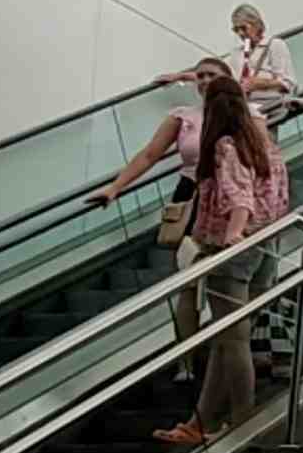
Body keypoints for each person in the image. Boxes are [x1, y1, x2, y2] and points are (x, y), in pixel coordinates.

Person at [90, 57, 236, 383]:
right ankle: (187, 360)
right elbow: (150, 154)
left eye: (212, 75)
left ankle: (227, 357)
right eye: (200, 76)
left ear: (227, 80)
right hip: (191, 194)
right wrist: (115, 188)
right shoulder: (184, 116)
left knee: (227, 281)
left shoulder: (245, 115)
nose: (204, 81)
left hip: (231, 200)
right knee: (187, 280)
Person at [151, 78, 275, 444]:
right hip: (265, 242)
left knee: (233, 339)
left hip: (232, 247)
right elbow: (275, 194)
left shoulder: (225, 146)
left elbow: (240, 200)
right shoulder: (262, 142)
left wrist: (232, 235)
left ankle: (243, 422)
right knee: (227, 338)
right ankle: (200, 422)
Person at [158, 4, 297, 117]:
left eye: (243, 28)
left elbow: (288, 83)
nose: (240, 34)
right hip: (243, 108)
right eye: (236, 30)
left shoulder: (275, 45)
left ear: (257, 25)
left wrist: (261, 84)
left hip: (268, 108)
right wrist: (179, 76)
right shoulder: (237, 53)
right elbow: (214, 74)